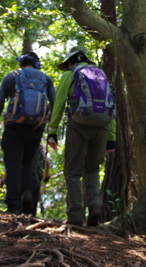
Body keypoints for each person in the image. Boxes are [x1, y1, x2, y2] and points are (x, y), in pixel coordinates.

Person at [47, 46, 111, 227]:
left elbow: (58, 104)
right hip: (103, 127)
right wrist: (111, 138)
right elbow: (110, 106)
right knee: (92, 169)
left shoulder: (70, 74)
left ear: (70, 61)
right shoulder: (101, 75)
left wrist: (52, 131)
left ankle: (75, 216)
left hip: (79, 125)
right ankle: (95, 206)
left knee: (73, 171)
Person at [0, 51, 55, 215]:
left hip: (14, 128)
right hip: (35, 129)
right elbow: (55, 104)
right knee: (27, 162)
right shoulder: (45, 79)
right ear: (37, 64)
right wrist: (51, 130)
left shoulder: (11, 77)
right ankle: (27, 193)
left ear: (21, 64)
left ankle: (13, 206)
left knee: (13, 166)